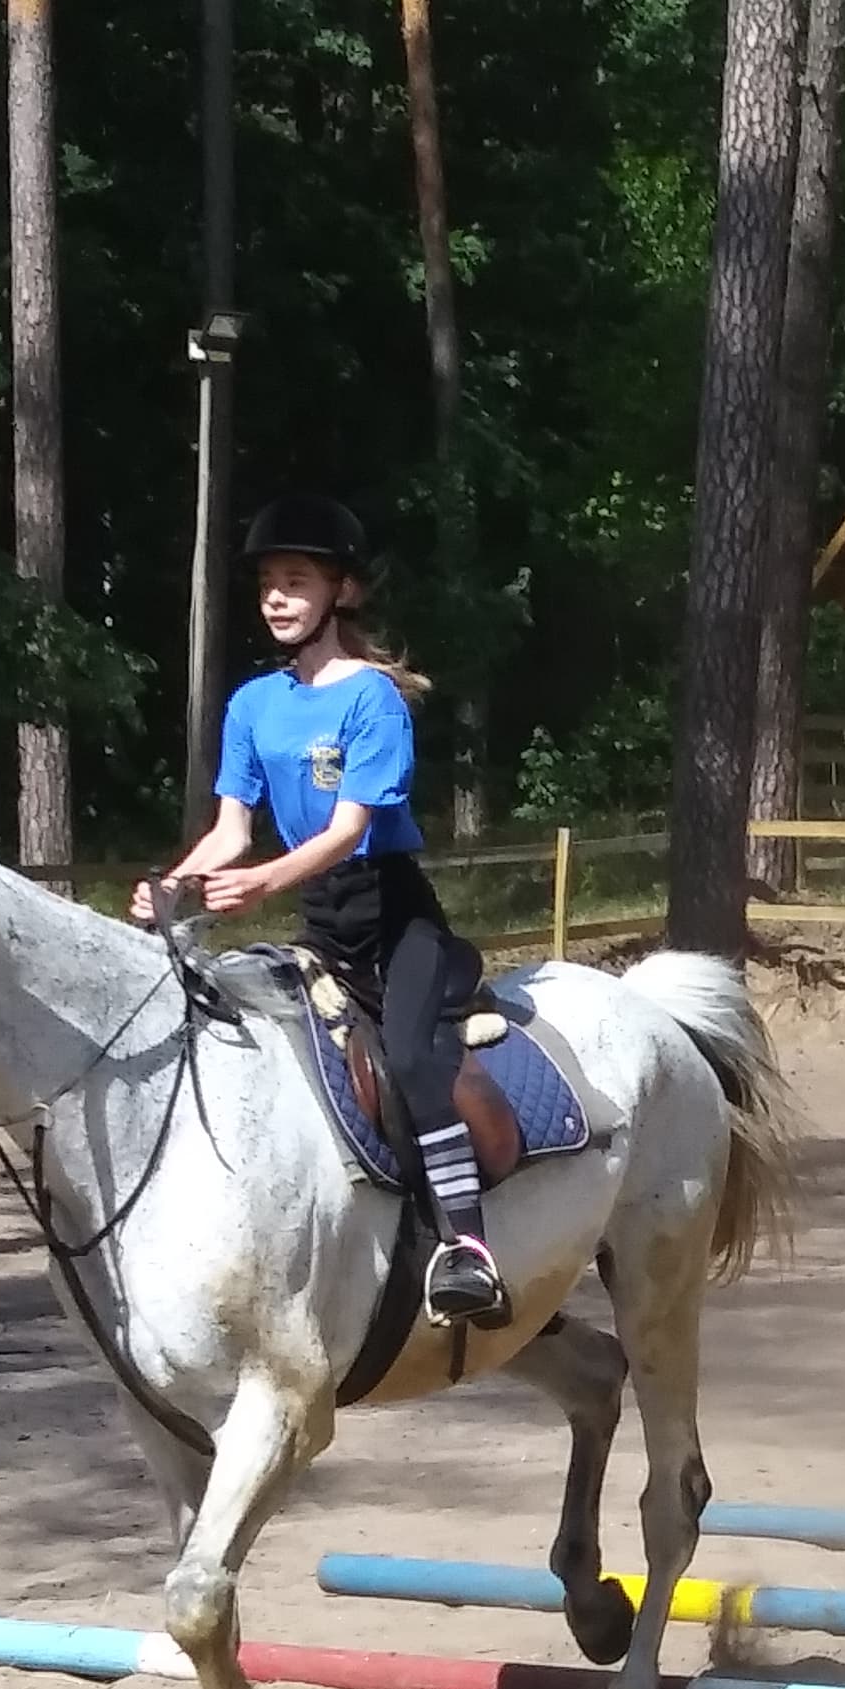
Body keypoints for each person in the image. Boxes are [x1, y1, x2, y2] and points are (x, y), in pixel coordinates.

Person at [137, 496, 511, 1326]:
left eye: (295, 581)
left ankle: (468, 1248)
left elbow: (350, 830)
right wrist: (172, 885)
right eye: (268, 583)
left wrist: (264, 885)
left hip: (393, 914)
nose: (275, 597)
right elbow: (231, 828)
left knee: (413, 1057)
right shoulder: (253, 704)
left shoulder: (371, 699)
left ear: (339, 593)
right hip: (321, 918)